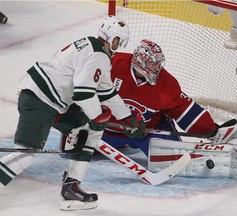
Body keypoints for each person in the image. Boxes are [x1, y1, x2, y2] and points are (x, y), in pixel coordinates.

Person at [0, 15, 146, 211]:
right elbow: (83, 93)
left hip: (52, 100)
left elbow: (106, 91)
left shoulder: (95, 48)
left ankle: (72, 187)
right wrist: (96, 116)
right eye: (118, 40)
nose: (118, 44)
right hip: (41, 100)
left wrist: (127, 118)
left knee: (88, 131)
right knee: (25, 154)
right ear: (113, 38)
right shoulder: (99, 55)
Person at [99, 39, 237, 181]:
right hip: (106, 129)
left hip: (146, 132)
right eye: (152, 63)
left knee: (176, 162)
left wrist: (211, 131)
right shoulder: (112, 64)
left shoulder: (166, 83)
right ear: (140, 61)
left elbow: (186, 111)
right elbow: (81, 80)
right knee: (75, 146)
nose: (157, 68)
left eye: (158, 63)